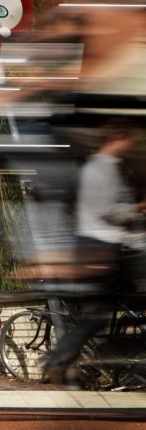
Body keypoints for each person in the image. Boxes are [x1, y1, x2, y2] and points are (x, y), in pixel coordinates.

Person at [49, 121, 146, 384]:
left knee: (100, 313)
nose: (132, 147)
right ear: (117, 137)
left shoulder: (108, 168)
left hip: (105, 247)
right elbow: (107, 212)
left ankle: (60, 359)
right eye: (131, 141)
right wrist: (136, 210)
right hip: (100, 248)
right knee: (99, 312)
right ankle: (60, 358)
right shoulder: (98, 169)